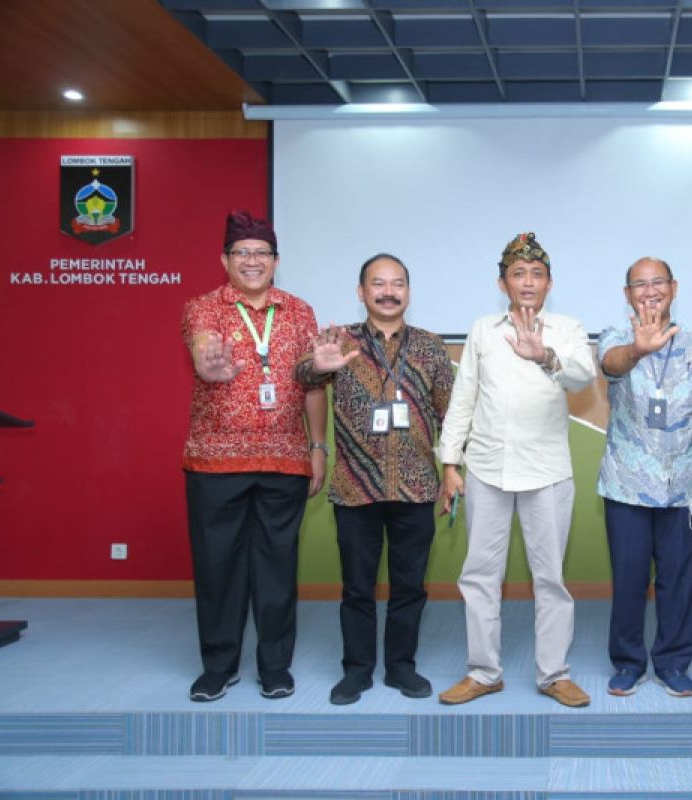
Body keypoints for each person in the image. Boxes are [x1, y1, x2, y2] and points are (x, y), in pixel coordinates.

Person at [436, 232, 597, 707]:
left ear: (550, 283)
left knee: (550, 579)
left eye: (537, 274)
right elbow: (464, 398)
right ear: (502, 282)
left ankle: (554, 674)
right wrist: (450, 462)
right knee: (479, 575)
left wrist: (544, 354)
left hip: (546, 470)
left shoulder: (566, 328)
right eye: (518, 274)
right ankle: (484, 672)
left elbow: (583, 375)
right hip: (485, 468)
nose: (528, 282)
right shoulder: (484, 330)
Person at [296, 254, 454, 705]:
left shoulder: (429, 346)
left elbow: (450, 414)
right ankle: (357, 670)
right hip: (355, 486)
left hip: (416, 486)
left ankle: (402, 667)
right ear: (361, 291)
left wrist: (451, 469)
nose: (388, 291)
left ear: (407, 291)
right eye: (378, 283)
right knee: (357, 588)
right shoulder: (338, 341)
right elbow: (302, 375)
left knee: (410, 587)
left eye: (397, 283)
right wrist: (319, 366)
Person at [181, 210, 326, 702]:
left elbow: (311, 385)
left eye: (261, 253)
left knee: (276, 567)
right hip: (215, 461)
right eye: (241, 253)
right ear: (224, 260)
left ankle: (275, 667)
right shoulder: (204, 308)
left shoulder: (300, 311)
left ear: (276, 261)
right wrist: (209, 362)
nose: (251, 261)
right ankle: (218, 667)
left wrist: (318, 446)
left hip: (285, 458)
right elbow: (202, 348)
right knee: (217, 566)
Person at [597, 257, 692, 698]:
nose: (649, 291)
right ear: (627, 293)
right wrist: (639, 349)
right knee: (629, 578)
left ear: (674, 287)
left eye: (658, 283)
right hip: (627, 484)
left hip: (685, 483)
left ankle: (672, 662)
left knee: (680, 578)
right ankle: (628, 663)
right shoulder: (617, 337)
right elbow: (611, 365)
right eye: (639, 285)